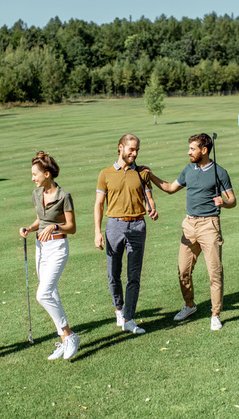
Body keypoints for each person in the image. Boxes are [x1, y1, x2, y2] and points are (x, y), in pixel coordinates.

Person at [145, 133, 235, 330]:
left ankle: (215, 314)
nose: (189, 152)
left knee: (215, 273)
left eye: (192, 149)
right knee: (183, 270)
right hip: (189, 225)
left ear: (204, 150)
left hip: (209, 226)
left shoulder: (219, 172)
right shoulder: (188, 169)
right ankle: (189, 305)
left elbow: (232, 200)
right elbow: (169, 188)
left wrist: (224, 202)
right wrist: (150, 175)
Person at [94, 133, 158, 335]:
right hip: (114, 226)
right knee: (113, 273)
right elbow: (99, 204)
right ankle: (119, 309)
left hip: (138, 226)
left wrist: (152, 208)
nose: (135, 153)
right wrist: (97, 231)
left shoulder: (142, 173)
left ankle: (129, 319)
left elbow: (149, 198)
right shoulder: (105, 174)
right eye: (131, 149)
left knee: (134, 275)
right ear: (120, 148)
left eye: (137, 149)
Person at [19, 152, 80, 361]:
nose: (32, 178)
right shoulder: (37, 194)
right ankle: (63, 339)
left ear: (47, 174)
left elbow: (71, 227)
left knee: (42, 294)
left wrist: (55, 226)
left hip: (58, 248)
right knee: (51, 293)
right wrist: (29, 228)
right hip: (40, 248)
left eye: (35, 174)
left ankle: (69, 335)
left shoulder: (64, 196)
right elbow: (40, 219)